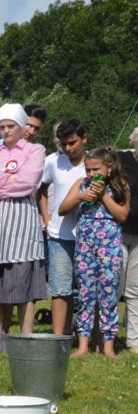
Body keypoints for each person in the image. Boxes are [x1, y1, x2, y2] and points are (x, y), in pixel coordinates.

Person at [0, 103, 47, 335]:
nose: (6, 131)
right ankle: (0, 333)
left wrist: (3, 183)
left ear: (20, 126)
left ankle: (26, 334)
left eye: (10, 126)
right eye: (2, 127)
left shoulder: (35, 150)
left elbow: (30, 180)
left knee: (24, 275)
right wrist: (9, 178)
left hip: (23, 217)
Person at [60, 148, 130, 358]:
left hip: (109, 247)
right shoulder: (81, 184)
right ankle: (83, 344)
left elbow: (122, 215)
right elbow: (63, 209)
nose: (91, 174)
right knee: (85, 294)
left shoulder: (120, 185)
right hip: (85, 247)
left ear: (109, 168)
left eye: (96, 169)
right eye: (88, 169)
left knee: (109, 295)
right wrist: (81, 197)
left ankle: (108, 346)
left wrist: (103, 197)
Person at [38, 119, 88, 335]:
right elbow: (41, 188)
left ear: (84, 139)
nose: (68, 148)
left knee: (88, 288)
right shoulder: (52, 161)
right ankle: (60, 337)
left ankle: (90, 336)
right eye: (64, 143)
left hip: (89, 234)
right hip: (59, 235)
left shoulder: (95, 161)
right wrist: (46, 217)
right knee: (60, 288)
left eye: (73, 143)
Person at [116, 127, 138, 353]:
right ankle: (107, 337)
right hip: (119, 231)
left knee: (135, 289)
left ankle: (134, 340)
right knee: (114, 285)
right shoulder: (122, 158)